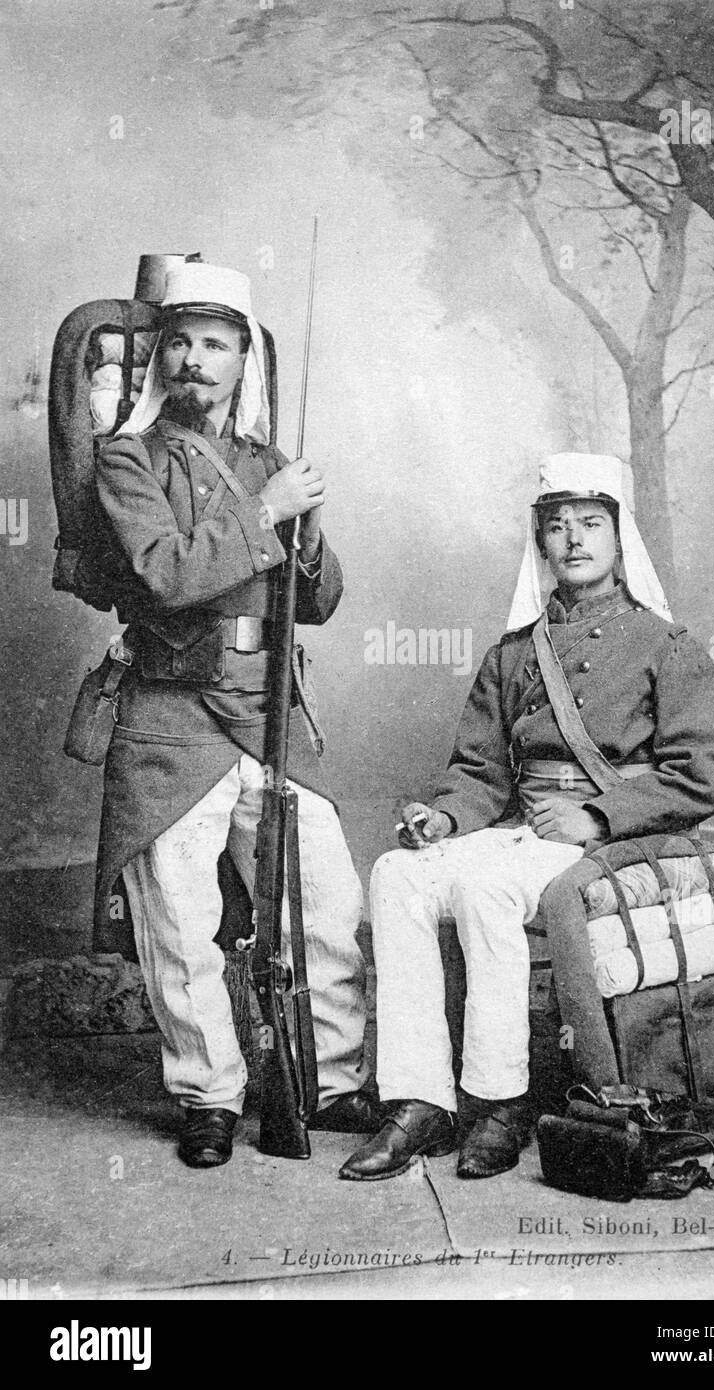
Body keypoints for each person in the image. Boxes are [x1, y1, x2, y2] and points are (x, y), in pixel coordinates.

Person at [340, 454, 714, 1183]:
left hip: (623, 839)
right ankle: (420, 1099)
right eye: (558, 527)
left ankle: (499, 1101)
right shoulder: (514, 653)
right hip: (520, 827)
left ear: (619, 538)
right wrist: (447, 819)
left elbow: (697, 778)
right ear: (540, 543)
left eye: (591, 524)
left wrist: (598, 814)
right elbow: (481, 772)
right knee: (397, 872)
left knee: (487, 892)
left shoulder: (666, 646)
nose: (575, 540)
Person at [86, 261, 377, 1168]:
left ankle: (328, 1079)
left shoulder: (267, 461)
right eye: (180, 342)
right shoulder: (127, 459)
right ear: (159, 359)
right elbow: (165, 575)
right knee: (179, 921)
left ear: (243, 360)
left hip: (264, 710)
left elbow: (319, 602)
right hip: (170, 714)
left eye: (216, 344)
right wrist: (267, 511)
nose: (195, 360)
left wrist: (308, 526)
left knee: (325, 902)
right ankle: (208, 1096)